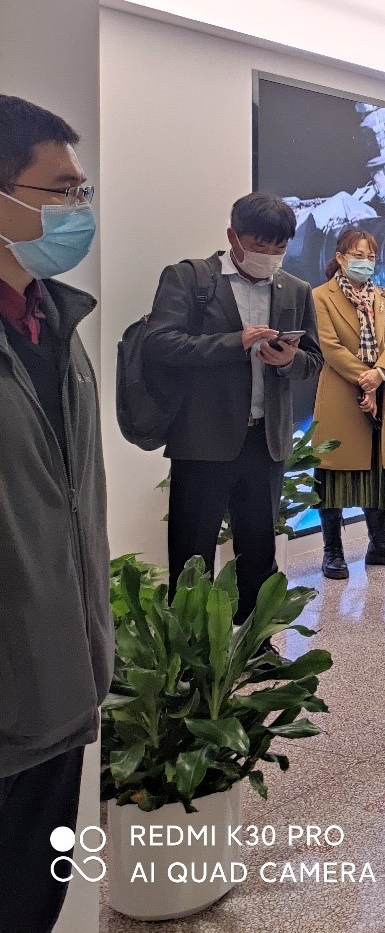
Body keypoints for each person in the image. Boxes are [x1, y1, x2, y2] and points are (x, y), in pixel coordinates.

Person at [0, 96, 111, 933]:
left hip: (62, 689)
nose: (79, 210)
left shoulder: (56, 326)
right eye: (61, 191)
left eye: (83, 192)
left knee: (36, 900)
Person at [144, 192, 322, 622]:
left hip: (265, 443)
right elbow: (159, 344)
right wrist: (234, 343)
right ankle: (192, 649)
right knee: (192, 557)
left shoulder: (295, 289)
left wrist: (289, 360)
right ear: (233, 237)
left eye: (279, 248)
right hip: (202, 441)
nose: (269, 256)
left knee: (259, 554)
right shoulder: (189, 279)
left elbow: (314, 360)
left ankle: (256, 647)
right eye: (259, 246)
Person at [310, 228, 385, 580]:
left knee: (376, 470)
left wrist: (379, 373)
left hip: (381, 393)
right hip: (341, 395)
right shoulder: (320, 296)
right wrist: (364, 377)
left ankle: (379, 543)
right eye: (358, 255)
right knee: (333, 473)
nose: (365, 262)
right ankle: (332, 551)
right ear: (340, 258)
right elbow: (329, 346)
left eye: (370, 256)